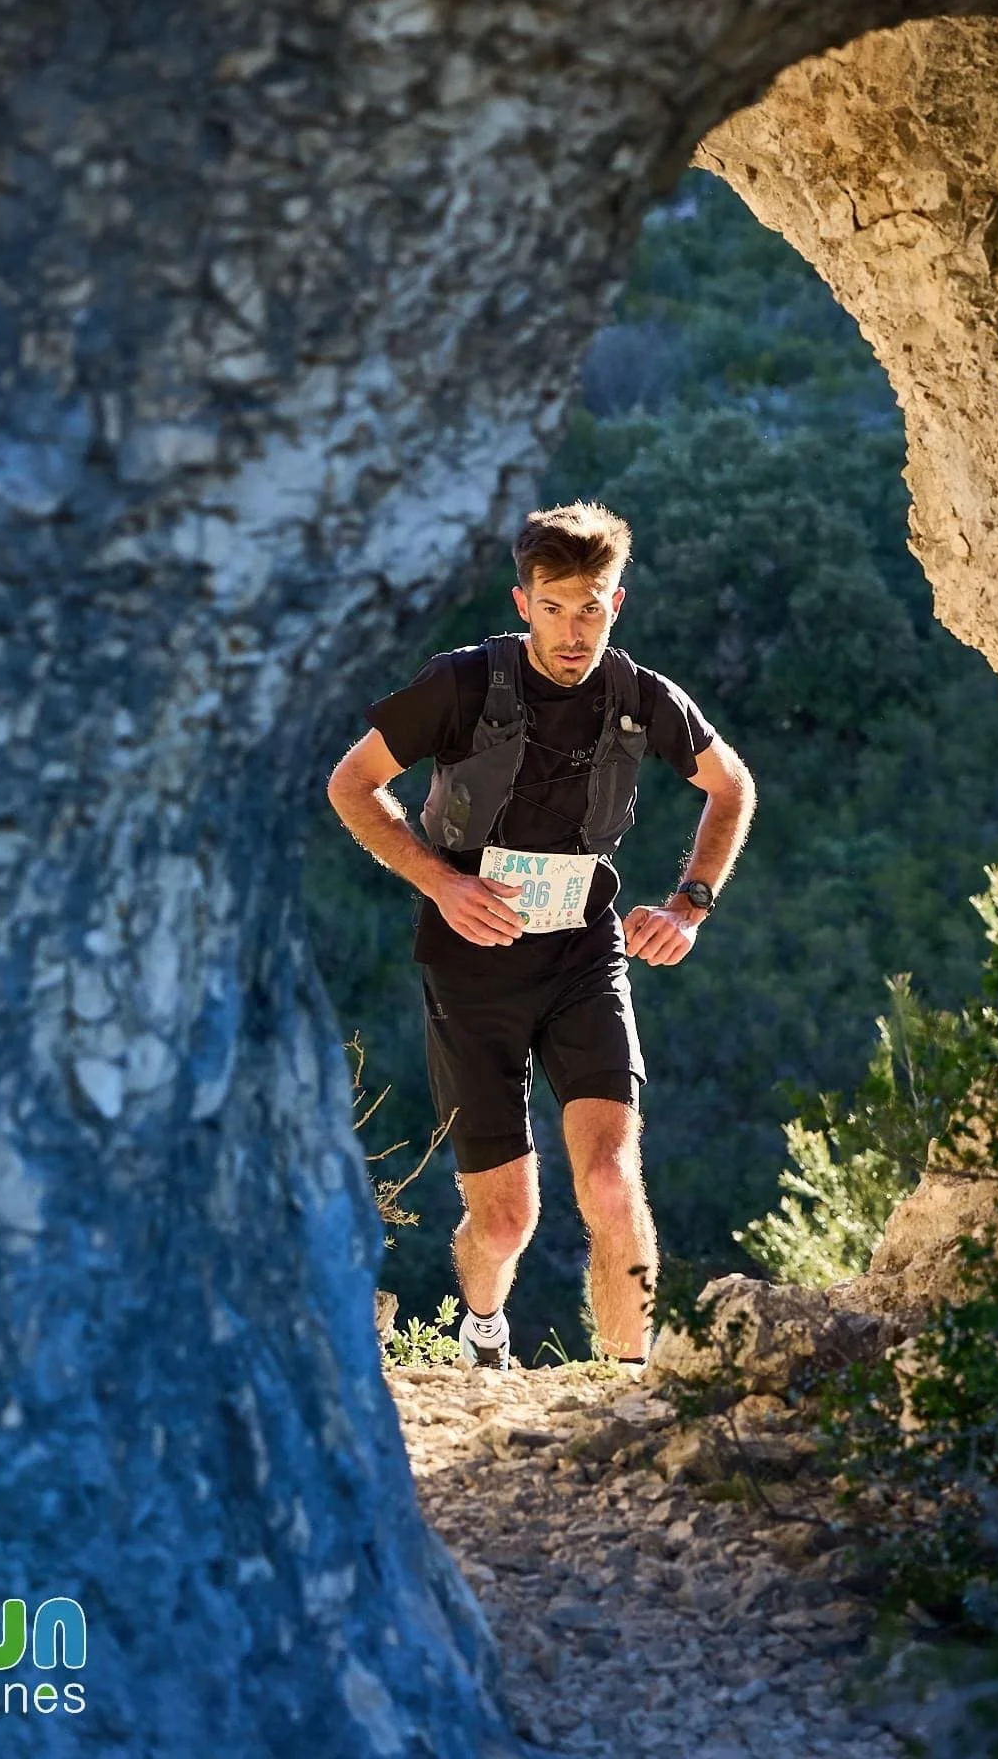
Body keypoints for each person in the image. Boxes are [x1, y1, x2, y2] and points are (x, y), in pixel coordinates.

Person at [326, 500, 755, 1370]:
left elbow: (731, 785)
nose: (572, 631)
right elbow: (351, 784)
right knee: (507, 1217)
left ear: (616, 604)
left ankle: (630, 1379)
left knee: (606, 1176)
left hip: (582, 955)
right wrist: (441, 882)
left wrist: (688, 905)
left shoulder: (641, 696)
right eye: (553, 607)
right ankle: (483, 1329)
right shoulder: (460, 684)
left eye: (589, 608)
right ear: (522, 603)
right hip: (470, 963)